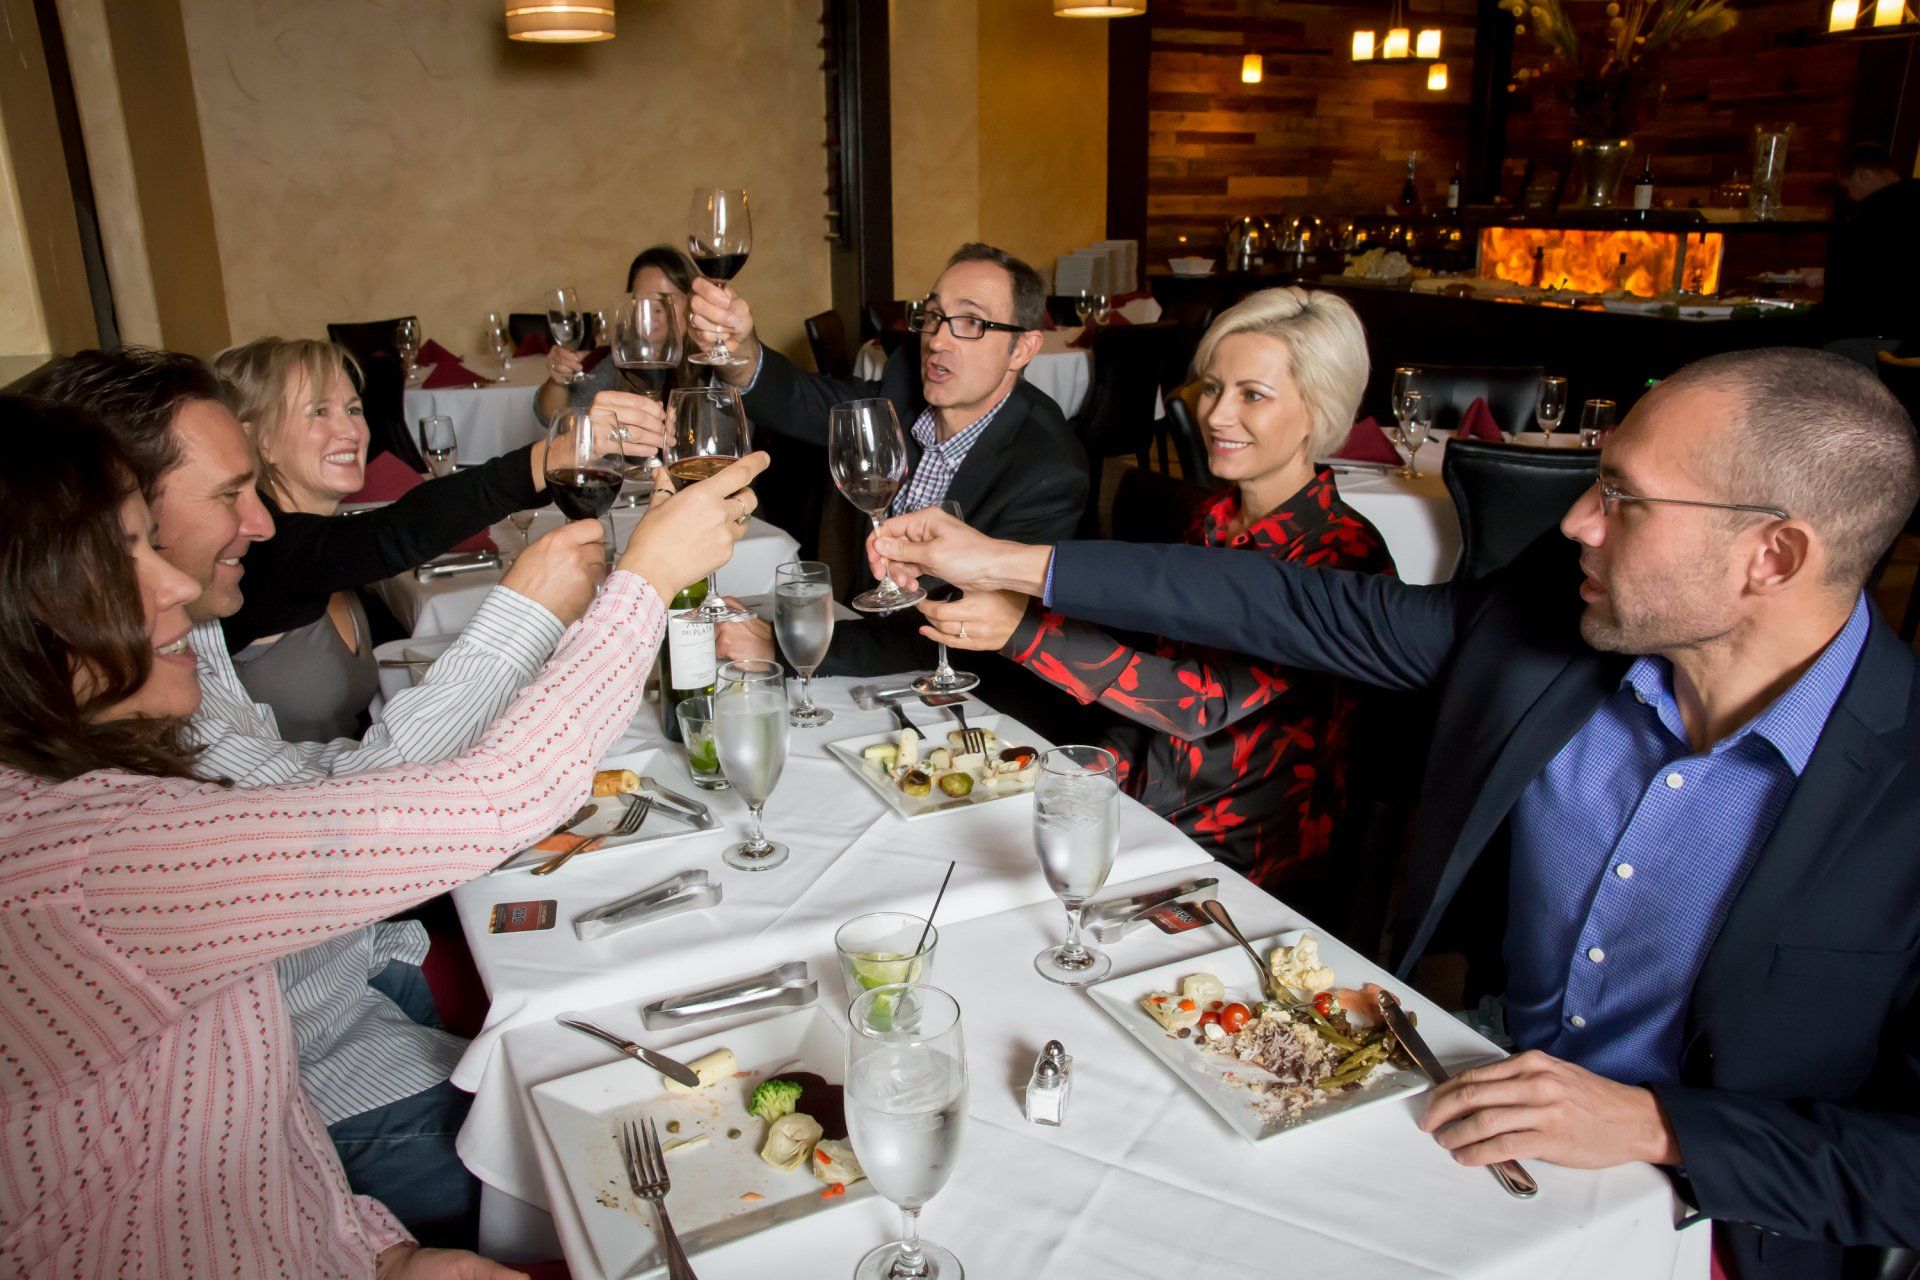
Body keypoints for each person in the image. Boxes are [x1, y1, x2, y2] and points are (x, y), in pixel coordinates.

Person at [867, 348, 1920, 1280]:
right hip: (1458, 1092)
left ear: (1771, 556)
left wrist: (1658, 1124)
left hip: (1712, 1219)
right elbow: (1283, 603)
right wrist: (1008, 560)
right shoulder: (1556, 614)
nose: (1574, 521)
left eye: (1621, 496)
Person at [0, 392, 766, 1278]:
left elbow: (248, 1137)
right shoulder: (80, 862)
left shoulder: (78, 789)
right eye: (123, 559)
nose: (173, 584)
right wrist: (646, 582)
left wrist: (385, 1254)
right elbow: (495, 797)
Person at [909, 289, 1393, 896]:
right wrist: (1083, 772)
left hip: (1246, 856)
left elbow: (1199, 703)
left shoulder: (1340, 555)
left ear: (1319, 409)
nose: (1215, 415)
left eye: (1253, 396)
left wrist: (1021, 632)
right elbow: (1149, 669)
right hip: (1149, 807)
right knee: (937, 852)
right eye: (1214, 388)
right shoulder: (1211, 520)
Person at [212, 337, 662, 739]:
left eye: (352, 408)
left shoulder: (318, 540)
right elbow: (395, 533)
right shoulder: (259, 553)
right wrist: (554, 455)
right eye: (318, 412)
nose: (350, 430)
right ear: (258, 439)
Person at [690, 241, 1089, 689]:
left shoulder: (1047, 471)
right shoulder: (907, 385)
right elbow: (808, 402)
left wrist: (788, 645)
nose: (937, 341)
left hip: (968, 689)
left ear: (1023, 349)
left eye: (972, 322)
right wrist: (741, 353)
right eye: (934, 316)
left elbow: (962, 628)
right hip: (865, 648)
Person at [536, 244, 697, 427]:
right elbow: (552, 418)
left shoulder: (709, 365)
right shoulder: (619, 362)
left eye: (666, 299)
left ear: (693, 302)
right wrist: (559, 381)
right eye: (641, 300)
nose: (653, 310)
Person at [1819, 142, 1920, 350]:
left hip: (1875, 338)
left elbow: (1843, 284)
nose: (1849, 197)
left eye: (1846, 189)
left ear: (1861, 175)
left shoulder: (1868, 214)